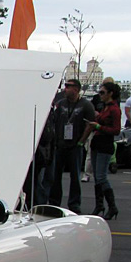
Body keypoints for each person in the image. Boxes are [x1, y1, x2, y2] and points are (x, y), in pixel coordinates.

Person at [46, 79, 95, 213]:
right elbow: (54, 121)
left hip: (75, 146)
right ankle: (54, 202)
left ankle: (74, 204)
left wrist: (81, 141)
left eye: (69, 86)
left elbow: (90, 124)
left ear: (76, 89)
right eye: (65, 86)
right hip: (60, 145)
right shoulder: (61, 104)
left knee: (75, 176)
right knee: (56, 176)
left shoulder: (85, 105)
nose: (66, 89)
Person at [81, 81, 121, 219]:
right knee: (98, 176)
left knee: (102, 176)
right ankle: (99, 205)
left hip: (105, 144)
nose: (100, 95)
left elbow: (116, 130)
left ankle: (112, 206)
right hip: (97, 143)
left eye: (103, 92)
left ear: (111, 93)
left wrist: (98, 127)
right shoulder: (105, 107)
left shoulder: (114, 109)